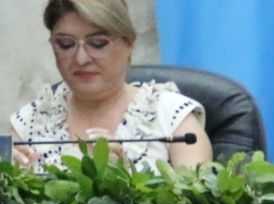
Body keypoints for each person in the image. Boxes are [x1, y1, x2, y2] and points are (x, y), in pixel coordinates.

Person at [9, 0, 213, 172]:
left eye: (98, 43)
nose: (81, 59)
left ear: (129, 43)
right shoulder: (30, 122)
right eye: (65, 44)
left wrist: (125, 181)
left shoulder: (172, 118)